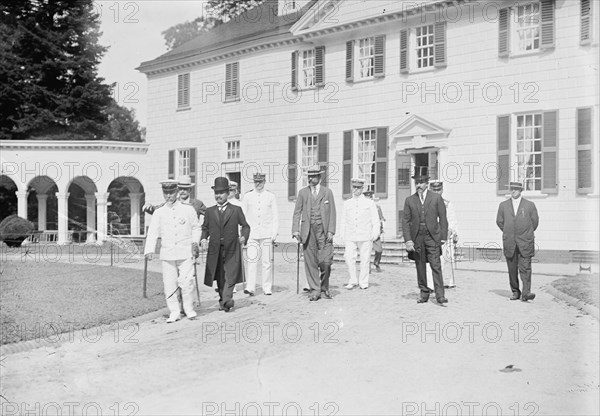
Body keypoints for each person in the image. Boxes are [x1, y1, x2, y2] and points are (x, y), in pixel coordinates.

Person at [143, 180, 201, 323]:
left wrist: (195, 243)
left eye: (171, 193)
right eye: (166, 193)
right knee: (169, 284)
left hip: (185, 252)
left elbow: (196, 227)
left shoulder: (188, 209)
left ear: (176, 192)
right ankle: (174, 311)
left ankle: (188, 309)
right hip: (168, 253)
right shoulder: (159, 212)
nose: (168, 196)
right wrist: (149, 249)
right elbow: (153, 232)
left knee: (187, 282)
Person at [200, 177, 250, 312]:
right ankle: (223, 301)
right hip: (215, 249)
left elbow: (245, 226)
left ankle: (227, 299)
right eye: (216, 193)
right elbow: (205, 228)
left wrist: (243, 237)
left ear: (228, 193)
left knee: (231, 274)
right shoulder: (210, 212)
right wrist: (204, 238)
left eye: (221, 192)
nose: (218, 196)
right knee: (220, 276)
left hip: (232, 248)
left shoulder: (236, 210)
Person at [402, 167, 448, 304]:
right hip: (417, 238)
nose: (418, 185)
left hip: (432, 237)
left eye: (421, 182)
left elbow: (443, 219)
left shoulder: (436, 198)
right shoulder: (409, 200)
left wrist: (443, 237)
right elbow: (405, 221)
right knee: (420, 266)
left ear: (427, 183)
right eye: (416, 182)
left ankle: (440, 295)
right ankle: (424, 293)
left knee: (436, 265)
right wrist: (408, 240)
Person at [292, 165, 336, 301]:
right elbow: (297, 212)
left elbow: (333, 213)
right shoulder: (302, 193)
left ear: (319, 178)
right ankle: (315, 290)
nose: (311, 179)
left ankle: (325, 287)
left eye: (314, 176)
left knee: (326, 261)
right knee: (310, 261)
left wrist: (331, 230)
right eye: (309, 176)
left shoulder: (327, 192)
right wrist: (295, 229)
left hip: (323, 231)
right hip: (308, 231)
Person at [496, 181, 539, 302]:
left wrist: (525, 233)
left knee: (525, 268)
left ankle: (526, 293)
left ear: (521, 191)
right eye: (511, 189)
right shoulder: (503, 205)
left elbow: (534, 223)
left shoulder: (530, 205)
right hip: (510, 242)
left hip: (525, 242)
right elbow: (499, 222)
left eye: (516, 189)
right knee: (512, 269)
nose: (513, 191)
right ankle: (515, 292)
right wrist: (509, 231)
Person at [242, 173, 279, 296]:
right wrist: (243, 233)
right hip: (252, 234)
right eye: (256, 182)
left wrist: (273, 234)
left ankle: (266, 287)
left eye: (260, 181)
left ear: (264, 181)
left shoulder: (270, 196)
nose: (258, 184)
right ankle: (250, 287)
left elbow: (275, 216)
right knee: (251, 261)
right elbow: (242, 216)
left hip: (266, 233)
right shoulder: (247, 196)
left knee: (266, 262)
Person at [341, 179, 380, 290]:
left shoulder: (369, 203)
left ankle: (363, 281)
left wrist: (375, 232)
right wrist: (342, 233)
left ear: (363, 189)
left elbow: (375, 219)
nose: (356, 189)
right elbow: (343, 220)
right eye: (354, 187)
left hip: (365, 234)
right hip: (351, 235)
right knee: (349, 258)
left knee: (365, 259)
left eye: (358, 187)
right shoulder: (347, 203)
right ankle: (353, 280)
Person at [428, 181, 458, 289]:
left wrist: (451, 231)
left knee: (447, 258)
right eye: (434, 190)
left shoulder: (448, 204)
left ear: (442, 190)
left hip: (445, 235)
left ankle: (448, 281)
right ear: (430, 190)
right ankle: (431, 285)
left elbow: (452, 219)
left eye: (438, 190)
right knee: (430, 260)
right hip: (431, 235)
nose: (437, 192)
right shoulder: (427, 203)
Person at [364, 190, 385, 272]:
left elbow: (381, 219)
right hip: (366, 232)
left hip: (375, 233)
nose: (369, 199)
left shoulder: (377, 207)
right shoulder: (363, 208)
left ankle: (376, 263)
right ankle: (367, 267)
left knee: (379, 250)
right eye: (367, 197)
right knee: (366, 251)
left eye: (370, 197)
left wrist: (381, 228)